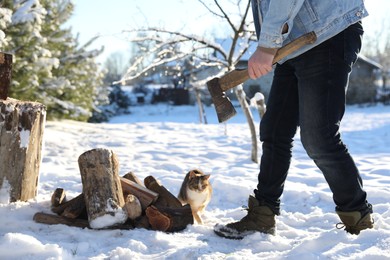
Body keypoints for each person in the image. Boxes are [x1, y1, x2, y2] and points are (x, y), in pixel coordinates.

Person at [214, 0, 374, 239]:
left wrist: (267, 45)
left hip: (326, 33)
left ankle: (358, 219)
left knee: (319, 136)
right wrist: (271, 44)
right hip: (295, 43)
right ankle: (263, 215)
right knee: (274, 131)